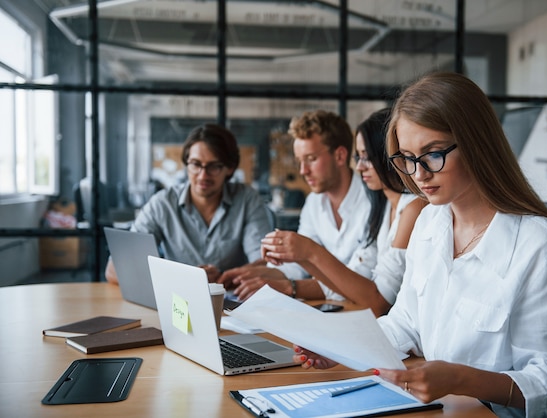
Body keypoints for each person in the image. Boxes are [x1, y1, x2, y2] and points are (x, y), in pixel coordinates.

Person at [293, 72, 547, 417]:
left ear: (476, 145)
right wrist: (344, 347)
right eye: (407, 157)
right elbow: (406, 323)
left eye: (433, 154)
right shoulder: (430, 224)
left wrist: (461, 379)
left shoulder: (544, 249)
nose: (418, 174)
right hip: (436, 408)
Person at [260, 108, 427, 316]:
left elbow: (378, 300)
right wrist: (300, 255)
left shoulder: (409, 207)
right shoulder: (383, 207)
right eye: (359, 157)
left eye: (367, 157)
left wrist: (309, 252)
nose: (359, 167)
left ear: (389, 156)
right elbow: (349, 284)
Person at [219, 110, 373, 301]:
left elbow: (359, 281)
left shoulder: (373, 202)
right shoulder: (314, 203)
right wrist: (254, 274)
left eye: (311, 159)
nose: (303, 171)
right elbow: (299, 265)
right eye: (300, 161)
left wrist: (287, 287)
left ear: (340, 156)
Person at [105, 123, 271, 284]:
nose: (202, 175)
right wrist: (186, 279)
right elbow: (114, 269)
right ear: (186, 163)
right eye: (195, 164)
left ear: (230, 168)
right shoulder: (163, 203)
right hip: (177, 303)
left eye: (213, 167)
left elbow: (265, 266)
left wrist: (224, 278)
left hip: (230, 304)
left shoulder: (247, 200)